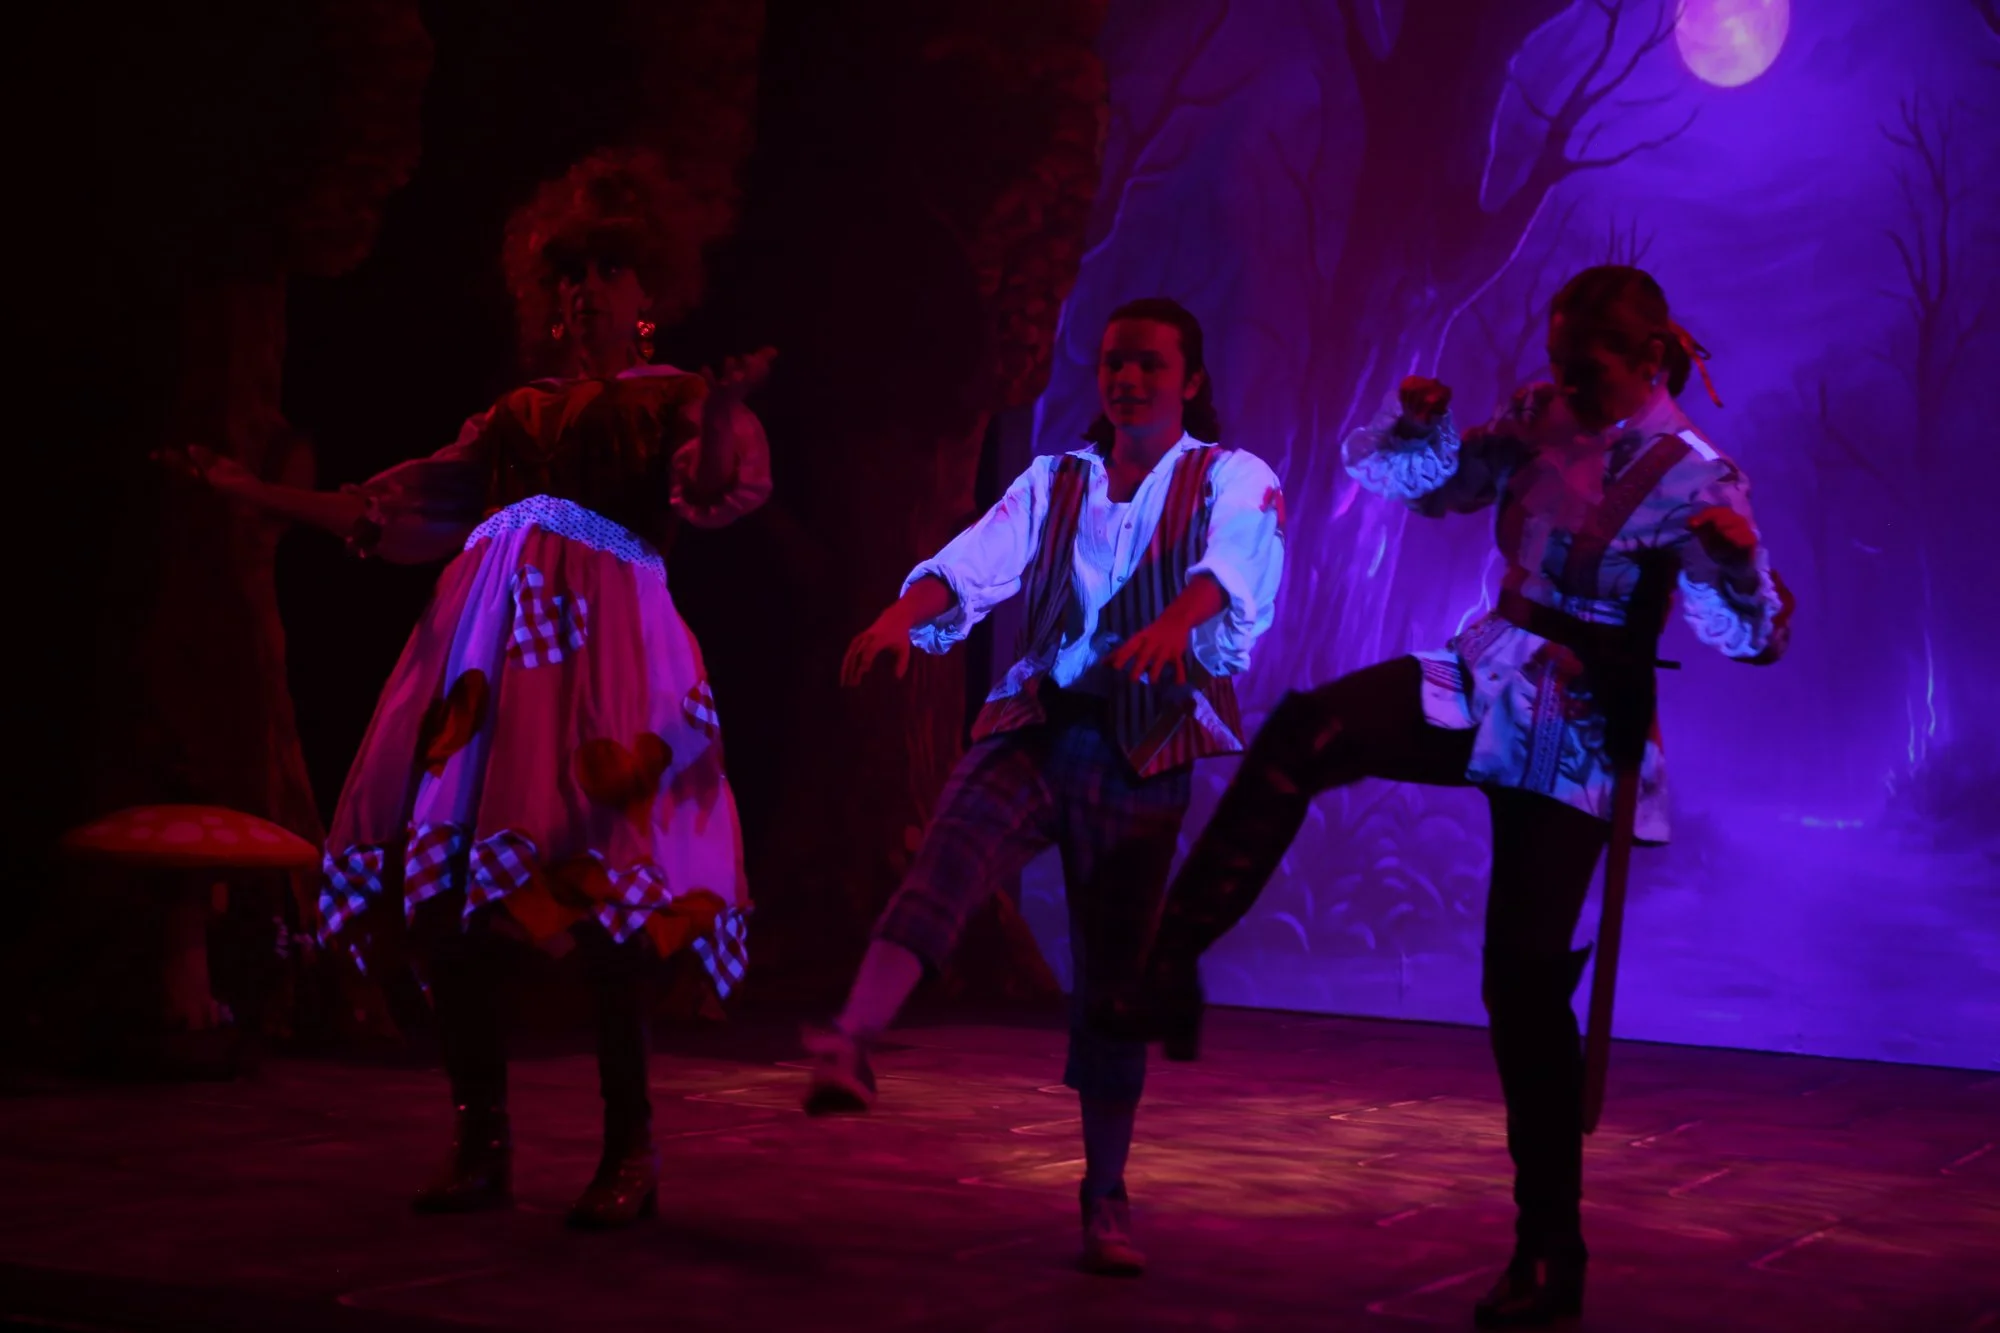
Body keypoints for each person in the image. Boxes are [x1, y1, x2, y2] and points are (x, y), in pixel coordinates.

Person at [1107, 267, 1793, 1326]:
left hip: (1576, 719)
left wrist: (1736, 571)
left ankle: (1547, 1251)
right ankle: (1167, 964)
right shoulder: (1537, 412)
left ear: (1646, 359)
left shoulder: (1697, 480)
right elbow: (1437, 488)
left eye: (1588, 366)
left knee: (1519, 984)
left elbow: (1754, 639)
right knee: (1307, 731)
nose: (1567, 382)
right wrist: (1417, 426)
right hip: (1487, 668)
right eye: (1560, 360)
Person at [160, 147, 774, 1229]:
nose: (584, 290)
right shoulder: (511, 419)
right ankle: (479, 1138)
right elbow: (379, 510)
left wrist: (720, 407)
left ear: (647, 293)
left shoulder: (669, 399)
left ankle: (628, 1149)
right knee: (454, 899)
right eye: (569, 272)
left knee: (608, 899)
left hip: (612, 665)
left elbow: (719, 490)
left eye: (607, 270)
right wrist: (243, 488)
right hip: (489, 663)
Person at [804, 298, 1286, 1275]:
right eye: (1114, 362)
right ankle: (849, 1039)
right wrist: (904, 614)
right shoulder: (1054, 481)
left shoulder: (1229, 476)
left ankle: (1103, 1192)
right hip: (1040, 724)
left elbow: (1237, 564)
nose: (1128, 380)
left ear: (1187, 380)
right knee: (946, 856)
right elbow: (975, 563)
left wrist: (1174, 623)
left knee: (1112, 982)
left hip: (1138, 748)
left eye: (1149, 364)